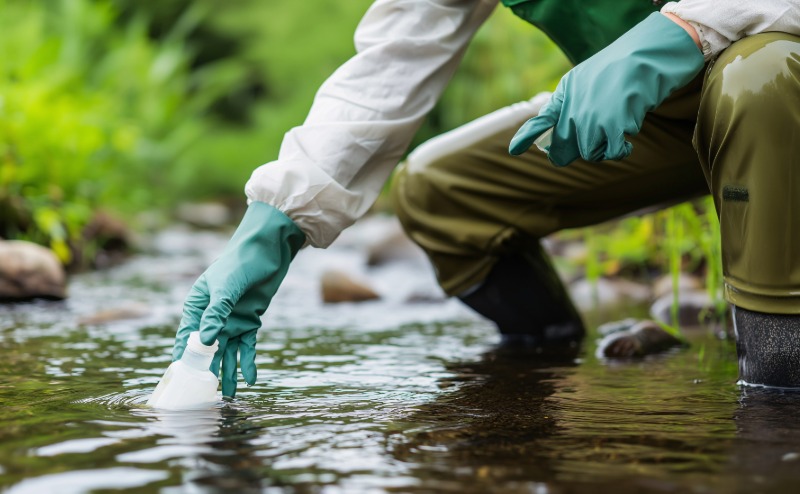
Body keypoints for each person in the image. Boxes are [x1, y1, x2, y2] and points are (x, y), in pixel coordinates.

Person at [172, 0, 800, 397]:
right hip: (658, 116)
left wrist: (683, 30)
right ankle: (547, 369)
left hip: (774, 79)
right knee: (439, 191)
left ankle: (776, 395)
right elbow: (391, 63)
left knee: (759, 77)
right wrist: (274, 223)